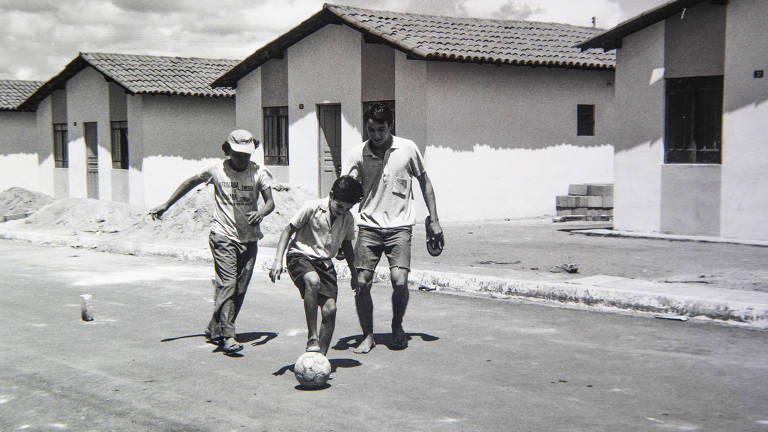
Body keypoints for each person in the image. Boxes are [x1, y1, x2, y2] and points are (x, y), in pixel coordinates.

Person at [149, 129, 275, 355]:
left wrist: (261, 213)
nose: (242, 159)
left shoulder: (259, 172)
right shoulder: (217, 170)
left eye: (246, 154)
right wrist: (167, 204)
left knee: (240, 288)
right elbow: (190, 183)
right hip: (223, 235)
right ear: (228, 151)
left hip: (249, 238)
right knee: (228, 284)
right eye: (238, 154)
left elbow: (270, 203)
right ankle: (228, 336)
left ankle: (215, 327)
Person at [346, 103, 444, 353]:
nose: (376, 135)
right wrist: (338, 232)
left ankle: (397, 325)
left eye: (381, 129)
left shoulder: (407, 149)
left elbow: (425, 182)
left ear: (390, 126)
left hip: (400, 228)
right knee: (362, 282)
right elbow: (345, 190)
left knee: (399, 282)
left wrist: (434, 220)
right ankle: (368, 335)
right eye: (371, 129)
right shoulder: (358, 153)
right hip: (368, 226)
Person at [269, 175, 363, 355]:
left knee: (330, 310)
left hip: (325, 263)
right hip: (300, 256)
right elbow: (288, 231)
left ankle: (320, 358)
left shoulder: (348, 218)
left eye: (347, 208)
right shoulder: (311, 207)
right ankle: (312, 336)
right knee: (312, 281)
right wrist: (277, 260)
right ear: (331, 195)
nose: (342, 211)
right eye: (339, 206)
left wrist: (354, 273)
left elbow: (347, 246)